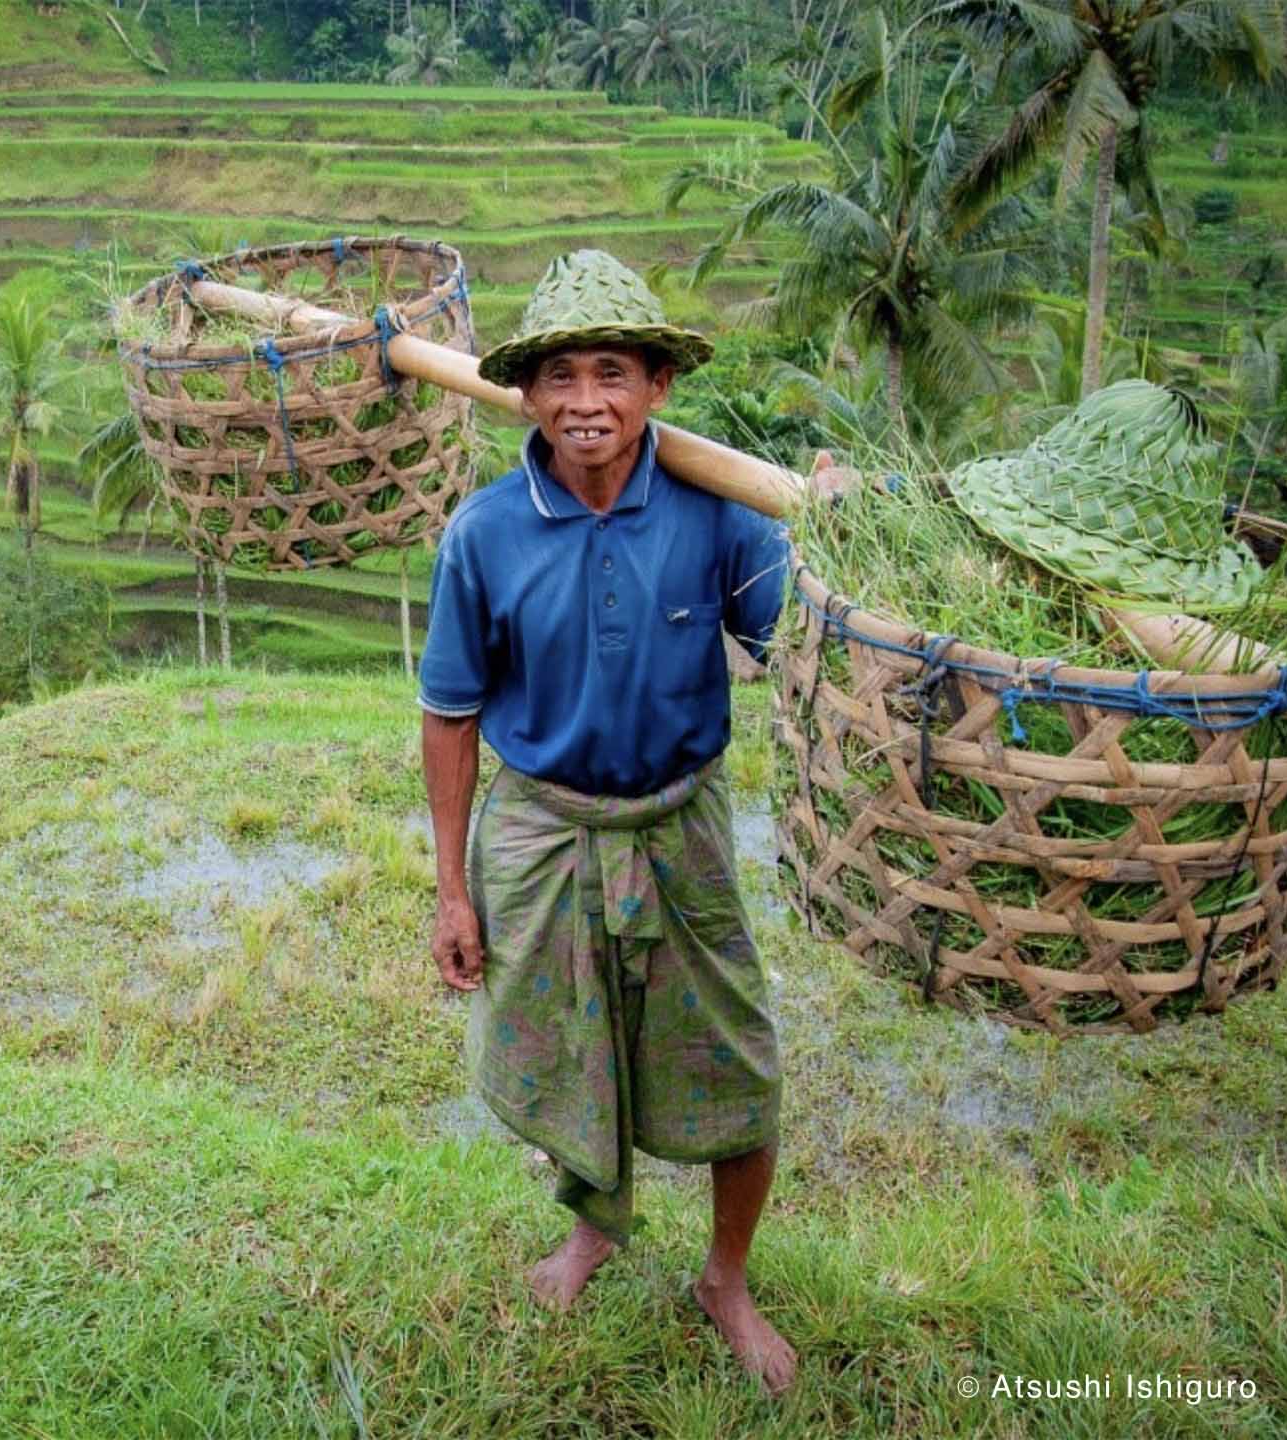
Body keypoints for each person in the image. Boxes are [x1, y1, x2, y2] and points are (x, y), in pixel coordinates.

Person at [417, 250, 803, 1395]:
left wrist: (835, 531)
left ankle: (725, 1277)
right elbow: (449, 715)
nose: (589, 401)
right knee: (569, 1054)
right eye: (565, 377)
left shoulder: (720, 516)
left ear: (656, 389)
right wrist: (450, 886)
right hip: (539, 826)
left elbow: (805, 643)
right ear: (526, 395)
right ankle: (594, 1227)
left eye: (615, 373)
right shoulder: (485, 533)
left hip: (680, 824)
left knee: (740, 1061)